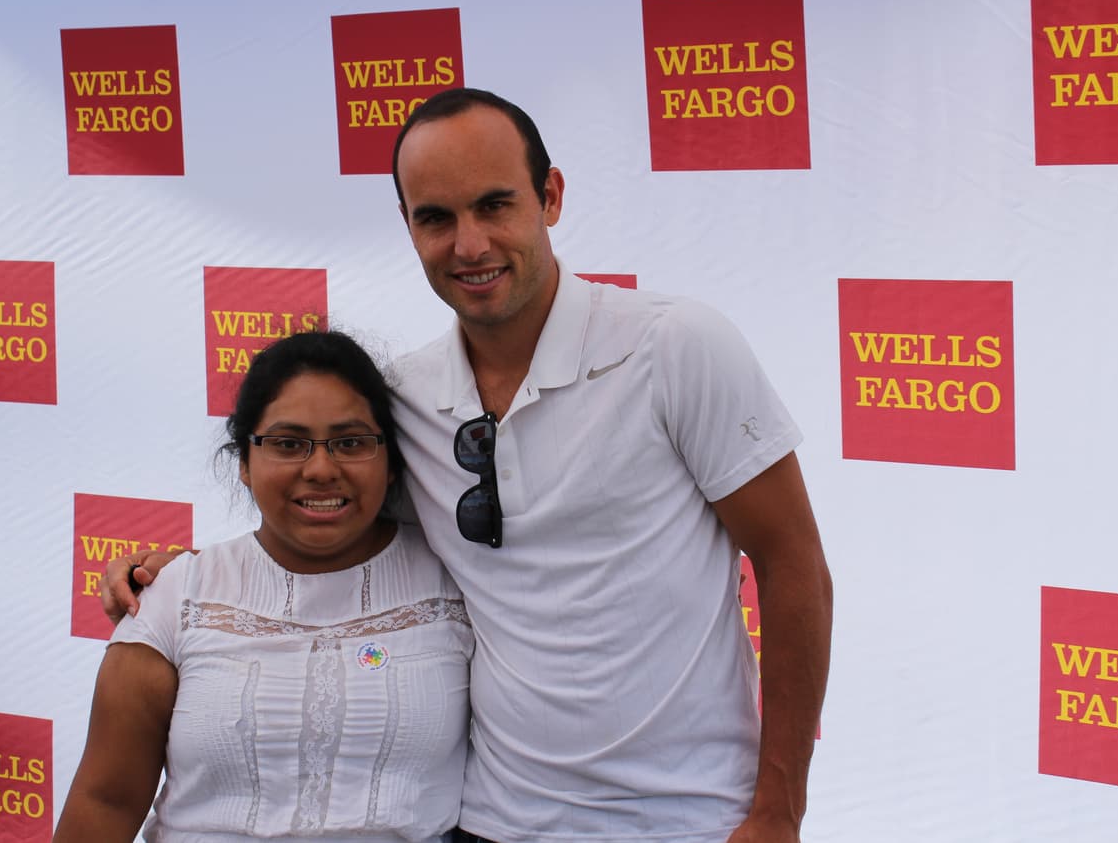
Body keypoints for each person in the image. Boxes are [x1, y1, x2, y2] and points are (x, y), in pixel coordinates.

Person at [106, 88, 832, 843]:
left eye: (494, 205)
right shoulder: (404, 401)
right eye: (437, 218)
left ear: (550, 197)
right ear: (408, 226)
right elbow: (324, 531)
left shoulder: (674, 346)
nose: (470, 245)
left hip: (689, 820)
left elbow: (794, 564)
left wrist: (778, 811)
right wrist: (177, 582)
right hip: (489, 822)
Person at [60, 331, 473, 842]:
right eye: (288, 444)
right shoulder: (177, 599)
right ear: (243, 462)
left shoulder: (461, 588)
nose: (320, 469)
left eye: (351, 442)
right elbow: (106, 801)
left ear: (391, 462)